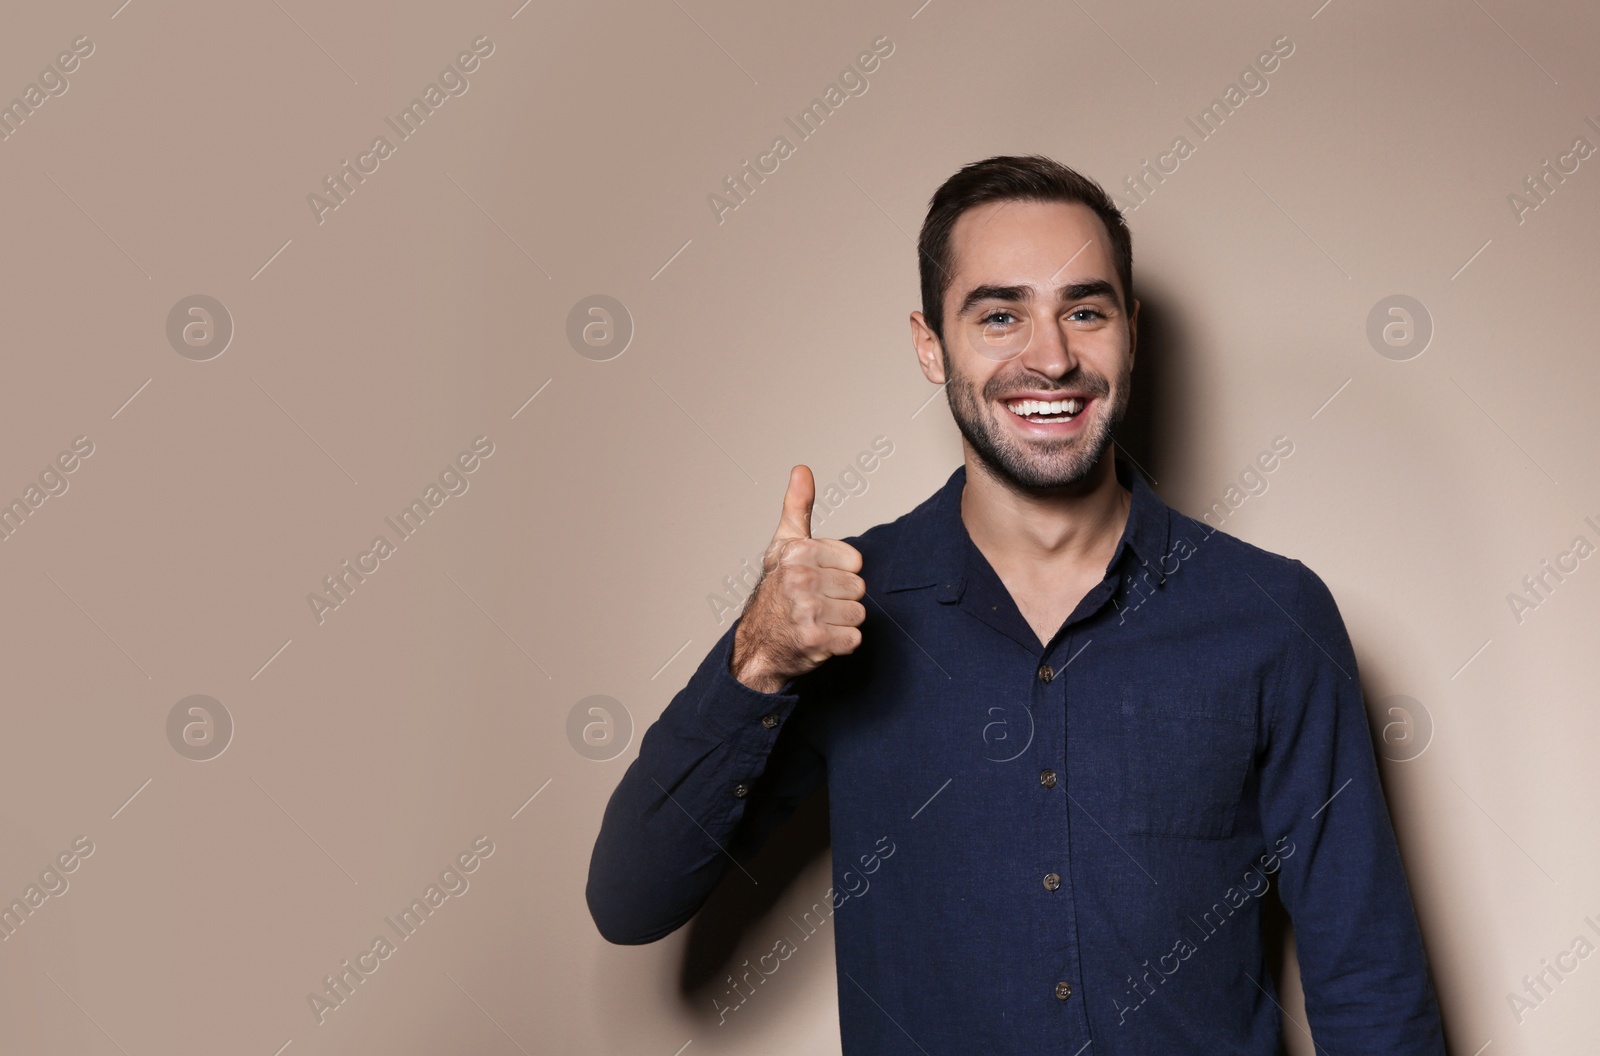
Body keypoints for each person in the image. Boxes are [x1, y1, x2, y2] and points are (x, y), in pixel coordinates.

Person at [586, 154, 1447, 1053]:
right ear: (931, 346)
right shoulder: (835, 616)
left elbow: (1370, 982)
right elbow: (630, 900)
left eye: (1085, 310)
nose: (1051, 357)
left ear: (1131, 332)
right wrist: (755, 658)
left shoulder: (1273, 615)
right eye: (1000, 315)